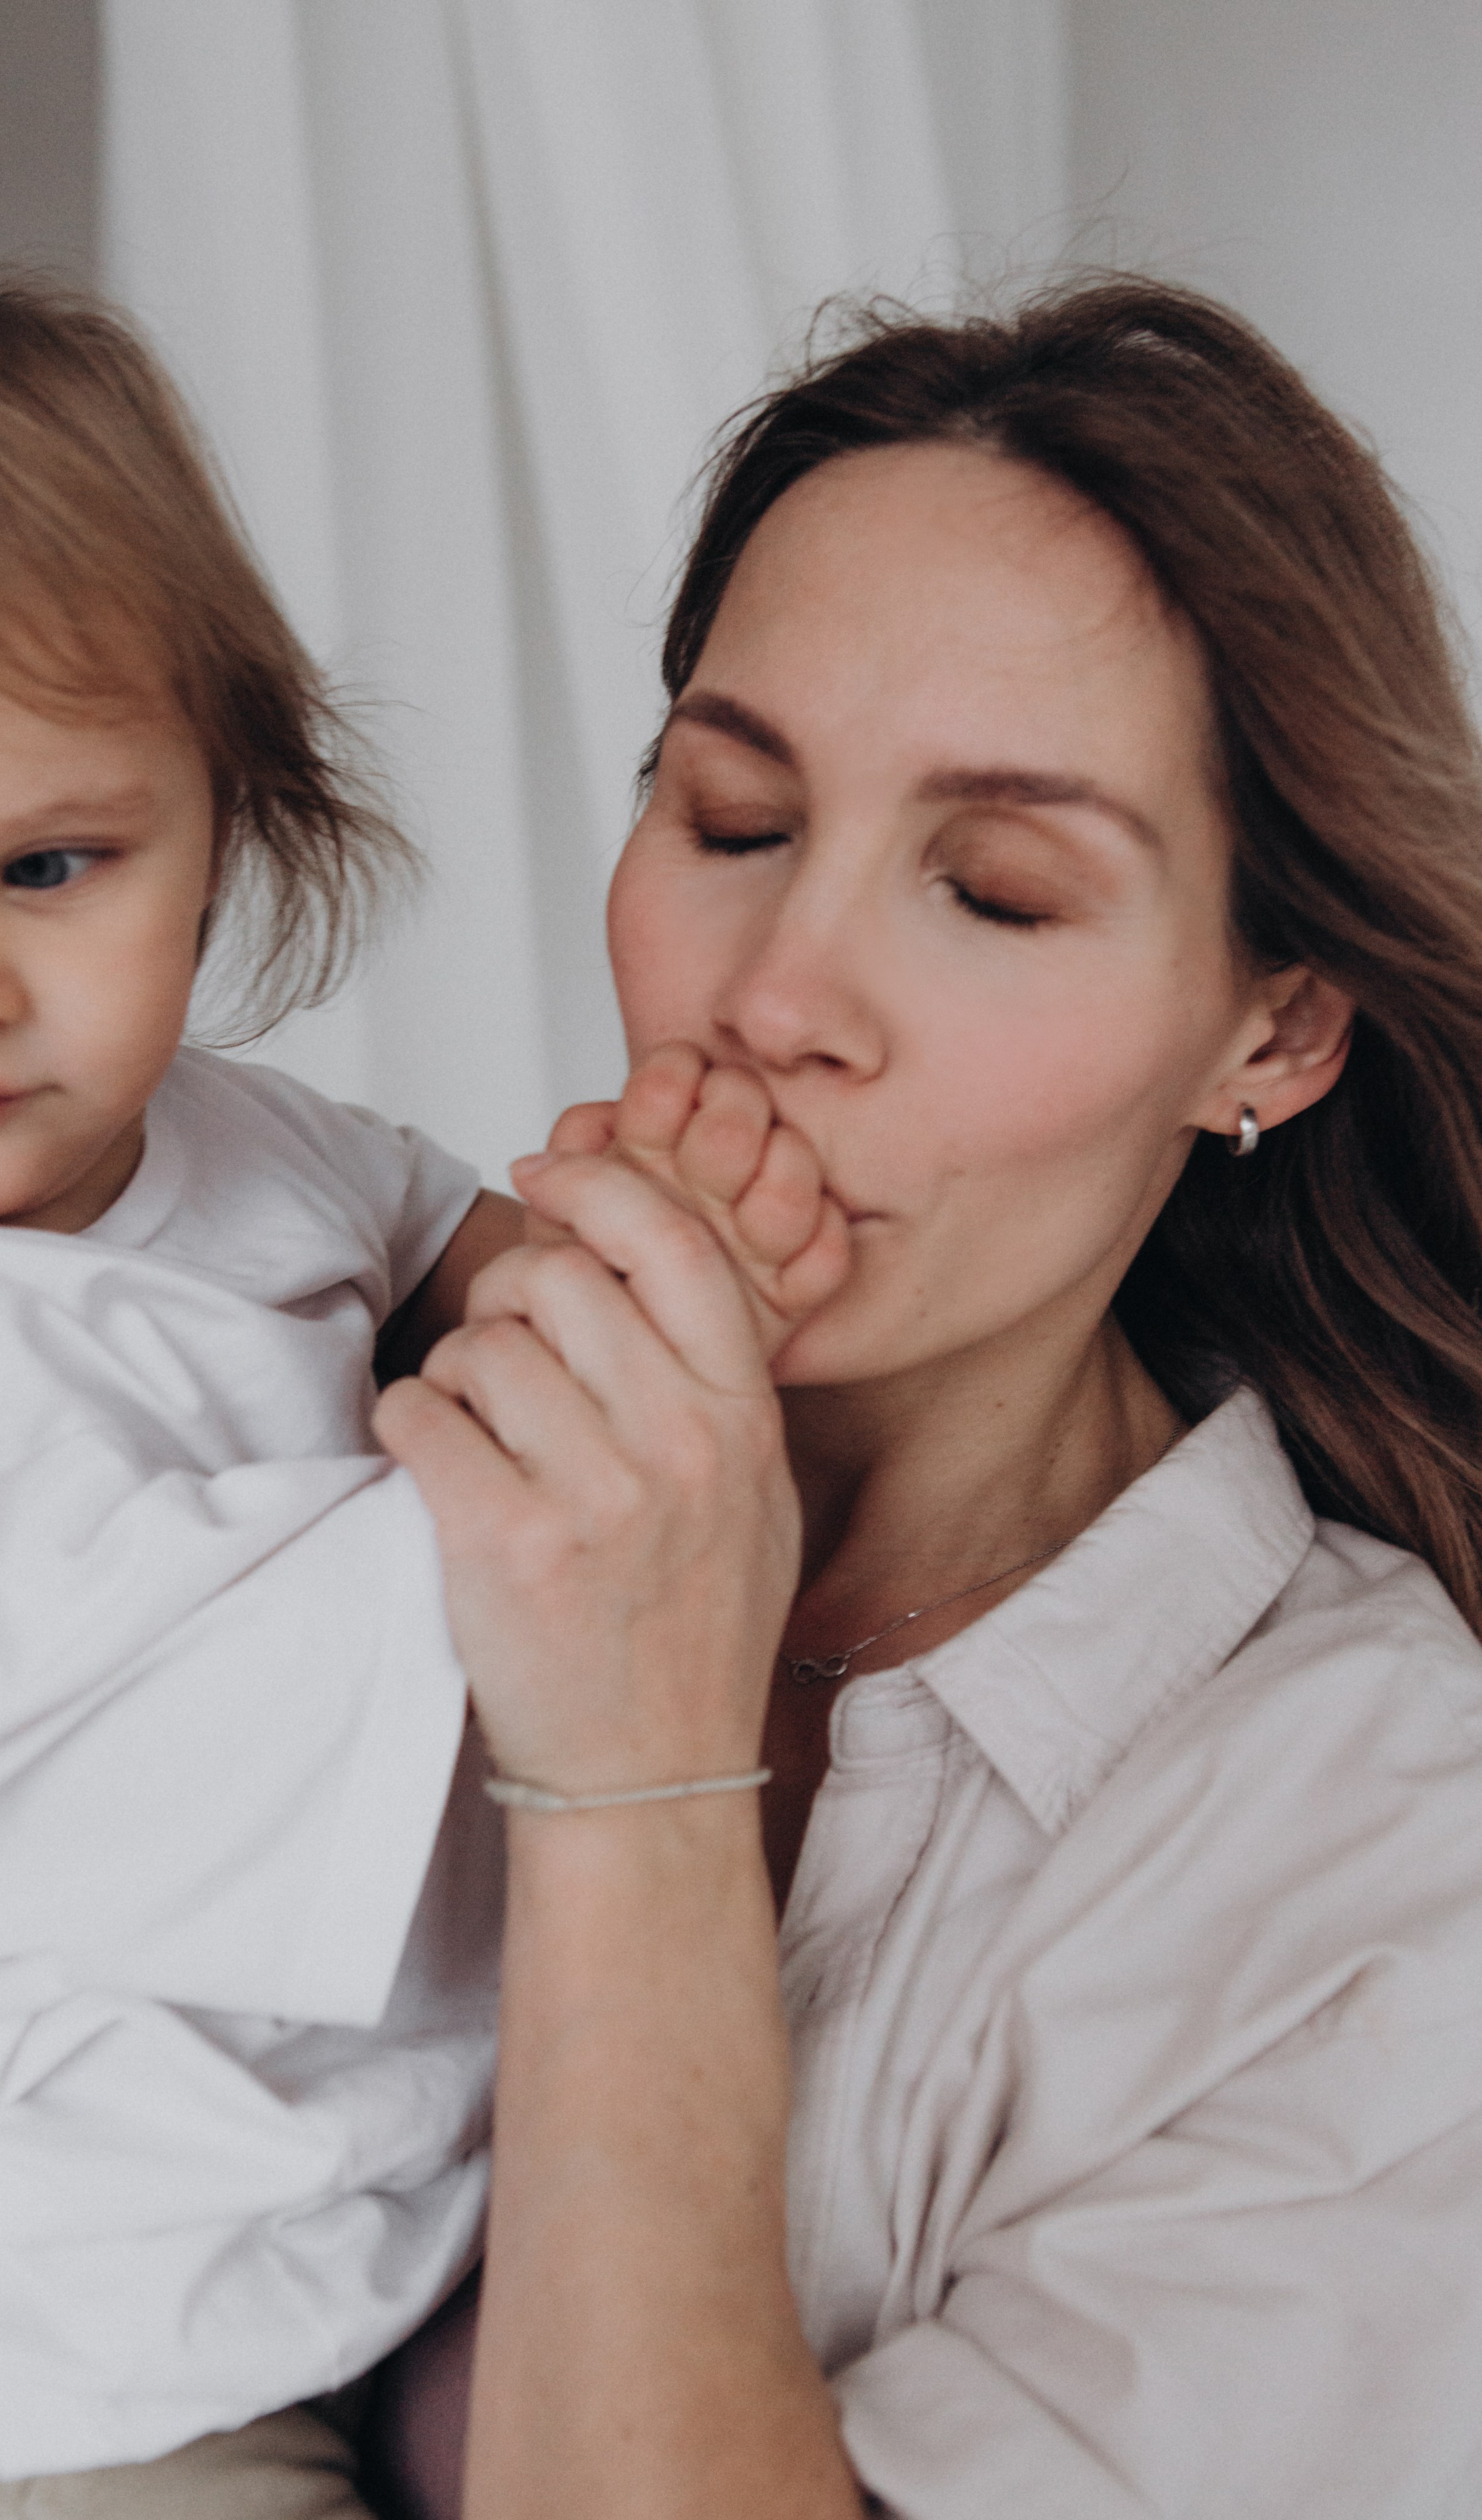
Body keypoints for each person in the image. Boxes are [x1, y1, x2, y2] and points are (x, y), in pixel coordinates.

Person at [379, 278, 1482, 2518]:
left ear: (1273, 1032)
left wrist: (638, 1773)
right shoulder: (313, 1429)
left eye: (993, 891)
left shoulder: (1389, 1872)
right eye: (730, 819)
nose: (781, 997)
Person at [0, 272, 842, 2515]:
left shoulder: (232, 1139)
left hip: (300, 2241)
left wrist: (647, 1241)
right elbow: (219, 1667)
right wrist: (642, 1386)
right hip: (16, 2339)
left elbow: (462, 1260)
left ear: (227, 822)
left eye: (50, 868)